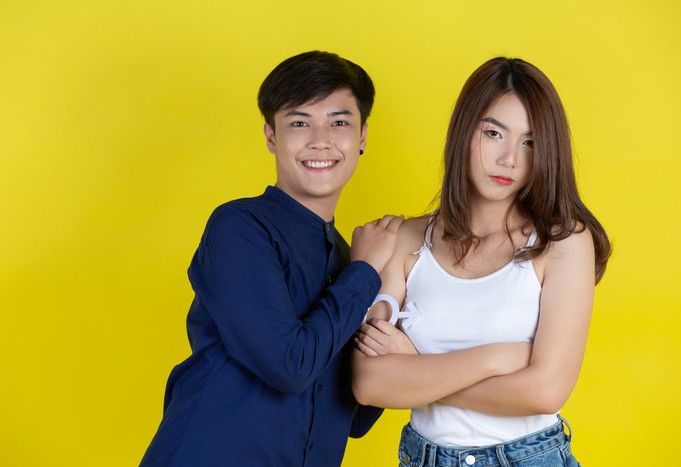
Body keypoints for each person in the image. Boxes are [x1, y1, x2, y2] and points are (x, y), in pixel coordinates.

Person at [141, 50, 403, 467]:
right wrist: (365, 272)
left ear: (362, 137)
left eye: (339, 122)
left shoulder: (346, 258)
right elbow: (289, 366)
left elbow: (351, 415)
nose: (320, 140)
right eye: (299, 123)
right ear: (270, 136)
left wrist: (393, 332)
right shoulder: (239, 227)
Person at [352, 57, 611, 467]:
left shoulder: (563, 242)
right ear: (464, 130)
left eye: (530, 143)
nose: (510, 159)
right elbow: (370, 384)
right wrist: (496, 358)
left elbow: (546, 392)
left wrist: (416, 370)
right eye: (494, 133)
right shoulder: (406, 240)